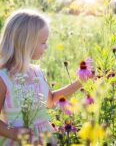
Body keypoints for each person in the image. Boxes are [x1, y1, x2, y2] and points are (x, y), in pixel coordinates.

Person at [0, 9, 82, 146]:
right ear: (26, 43)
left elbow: (50, 101)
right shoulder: (3, 78)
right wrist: (14, 133)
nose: (47, 46)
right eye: (43, 42)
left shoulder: (37, 72)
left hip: (45, 139)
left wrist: (80, 82)